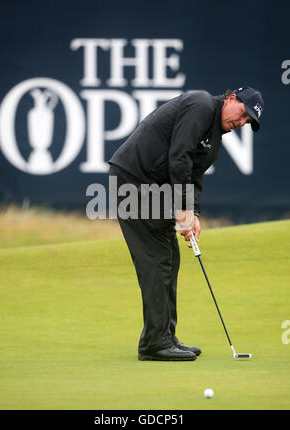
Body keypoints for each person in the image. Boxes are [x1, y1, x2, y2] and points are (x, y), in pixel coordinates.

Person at [108, 87, 264, 361]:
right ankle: (155, 343)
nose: (241, 123)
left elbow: (193, 173)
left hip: (150, 186)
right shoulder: (202, 105)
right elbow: (178, 157)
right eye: (243, 114)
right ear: (231, 99)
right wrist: (183, 210)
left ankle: (164, 337)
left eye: (247, 122)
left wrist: (194, 215)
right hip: (133, 179)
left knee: (170, 256)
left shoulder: (214, 136)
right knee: (157, 258)